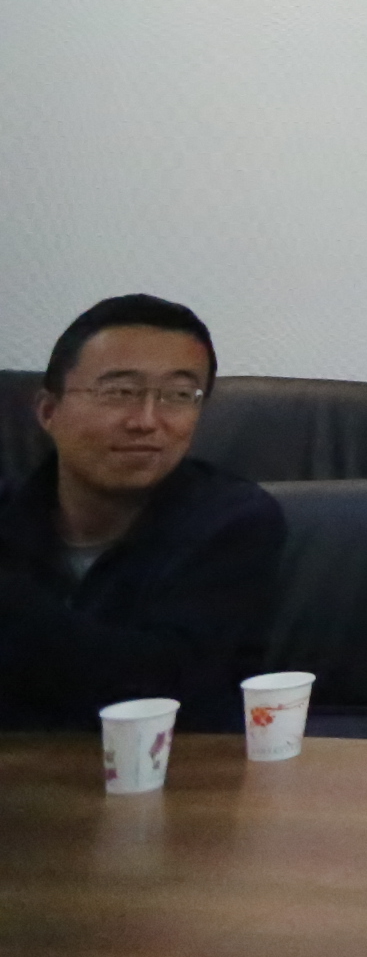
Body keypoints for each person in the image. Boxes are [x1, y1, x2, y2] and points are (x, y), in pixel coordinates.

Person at [1, 295, 283, 739]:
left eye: (179, 396)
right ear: (49, 411)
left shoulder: (234, 522)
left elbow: (157, 689)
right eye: (119, 392)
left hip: (174, 773)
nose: (147, 421)